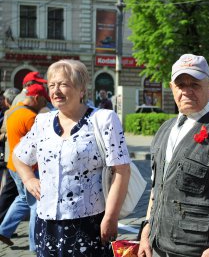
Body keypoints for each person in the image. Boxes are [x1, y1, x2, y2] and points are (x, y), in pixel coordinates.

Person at [13, 59, 131, 256]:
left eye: (64, 84)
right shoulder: (43, 121)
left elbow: (122, 170)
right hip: (47, 222)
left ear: (81, 89)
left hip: (88, 222)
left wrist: (111, 217)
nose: (56, 91)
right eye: (52, 85)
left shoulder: (103, 120)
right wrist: (29, 179)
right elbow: (19, 156)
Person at [138, 54, 209, 257]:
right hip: (159, 246)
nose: (187, 91)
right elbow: (157, 189)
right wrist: (146, 231)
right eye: (181, 84)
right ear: (172, 87)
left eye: (195, 84)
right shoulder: (164, 129)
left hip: (200, 250)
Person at [0, 84, 50, 251]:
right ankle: (35, 246)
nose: (44, 104)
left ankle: (3, 230)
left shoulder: (13, 111)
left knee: (22, 199)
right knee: (36, 204)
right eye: (43, 101)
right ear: (37, 98)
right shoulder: (30, 117)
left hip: (14, 165)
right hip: (28, 167)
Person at [0, 88, 20, 224]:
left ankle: (5, 227)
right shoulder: (10, 113)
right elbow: (2, 134)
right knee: (10, 193)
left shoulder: (9, 112)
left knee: (15, 194)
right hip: (13, 158)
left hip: (12, 158)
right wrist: (7, 135)